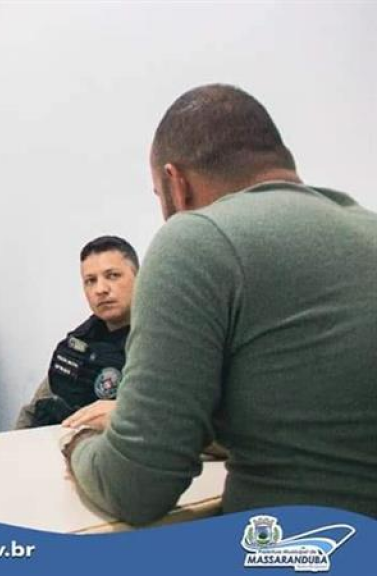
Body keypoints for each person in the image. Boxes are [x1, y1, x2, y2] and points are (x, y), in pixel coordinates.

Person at [64, 84, 377, 523]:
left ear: (177, 184)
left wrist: (76, 445)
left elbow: (133, 487)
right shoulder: (365, 227)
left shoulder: (196, 239)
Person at [15, 236, 138, 430]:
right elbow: (33, 410)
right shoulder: (79, 343)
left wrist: (126, 412)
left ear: (139, 279)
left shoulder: (163, 338)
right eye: (90, 281)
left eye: (113, 275)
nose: (100, 289)